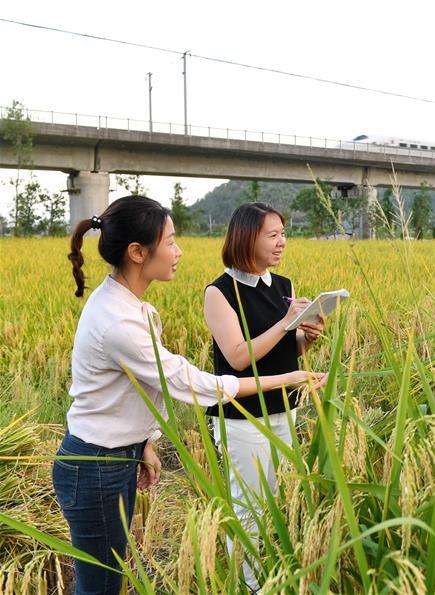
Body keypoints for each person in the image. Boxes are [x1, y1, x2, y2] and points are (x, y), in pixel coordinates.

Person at [55, 196, 326, 595]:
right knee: (100, 586)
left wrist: (145, 442)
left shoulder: (131, 307)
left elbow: (134, 390)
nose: (179, 251)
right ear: (137, 252)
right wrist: (290, 377)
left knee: (109, 579)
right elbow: (190, 382)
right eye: (171, 241)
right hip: (95, 465)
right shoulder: (118, 321)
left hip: (113, 457)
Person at [203, 202, 325, 590]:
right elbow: (238, 358)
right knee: (249, 508)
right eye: (272, 235)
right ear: (246, 239)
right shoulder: (219, 292)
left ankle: (271, 576)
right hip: (242, 417)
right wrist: (287, 323)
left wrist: (305, 337)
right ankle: (249, 585)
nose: (281, 242)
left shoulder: (284, 285)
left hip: (283, 408)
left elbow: (284, 349)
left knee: (277, 501)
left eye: (283, 234)